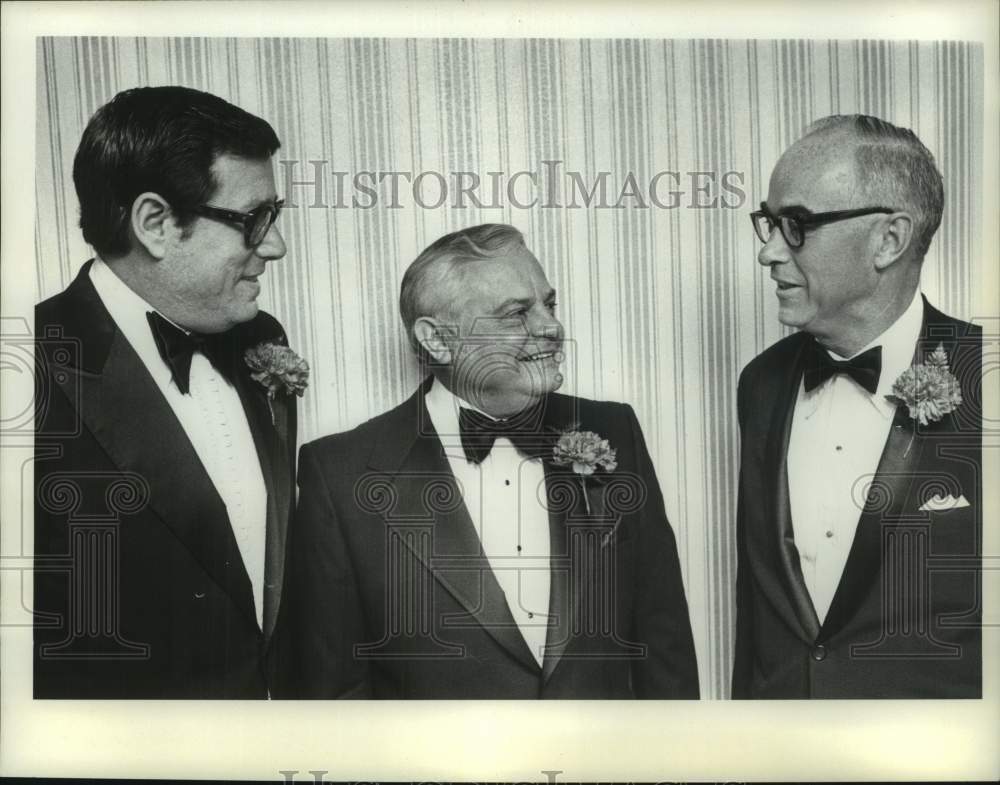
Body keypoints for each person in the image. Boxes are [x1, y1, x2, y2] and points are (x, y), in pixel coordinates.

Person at [274, 223, 698, 698]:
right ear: (436, 339)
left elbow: (665, 647)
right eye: (517, 313)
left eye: (549, 303)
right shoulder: (340, 473)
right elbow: (332, 689)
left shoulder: (614, 430)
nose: (551, 327)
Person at [34, 86, 304, 698]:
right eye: (252, 219)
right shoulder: (24, 371)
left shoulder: (262, 336)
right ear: (155, 224)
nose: (275, 245)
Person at [733, 114, 982, 698]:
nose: (768, 252)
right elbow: (759, 609)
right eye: (768, 224)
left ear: (889, 239)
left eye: (795, 224)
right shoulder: (760, 383)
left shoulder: (987, 374)